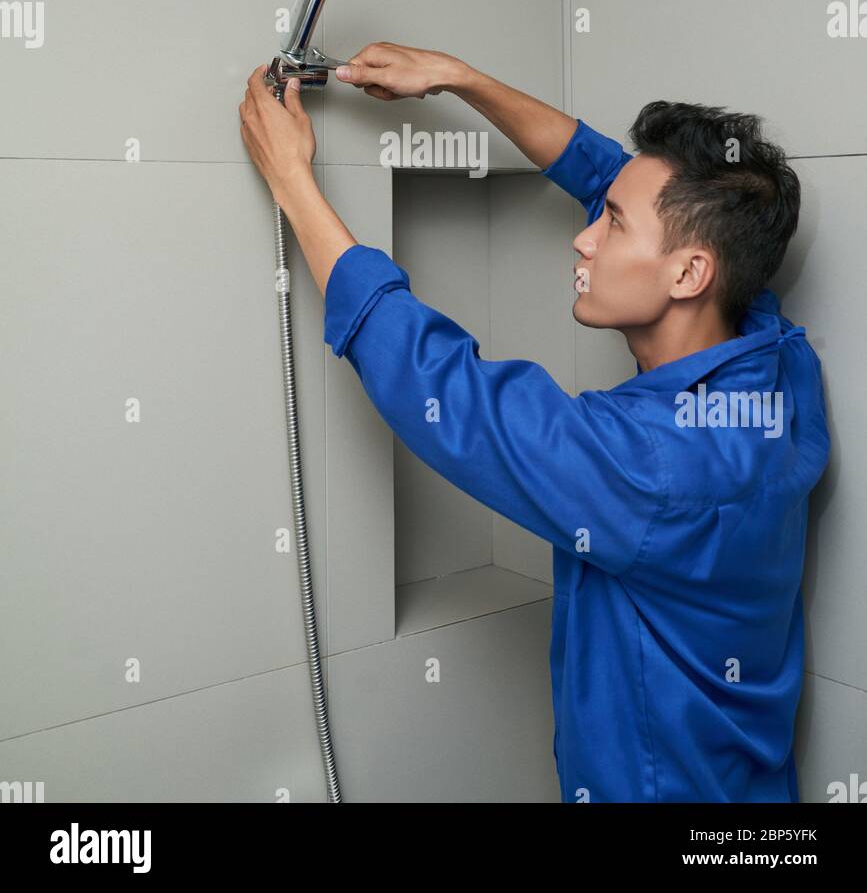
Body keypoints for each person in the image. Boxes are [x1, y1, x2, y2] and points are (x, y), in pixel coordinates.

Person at [239, 43, 829, 803]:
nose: (583, 238)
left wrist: (292, 183)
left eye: (610, 225)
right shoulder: (773, 357)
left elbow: (448, 395)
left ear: (687, 275)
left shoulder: (652, 467)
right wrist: (459, 80)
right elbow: (604, 177)